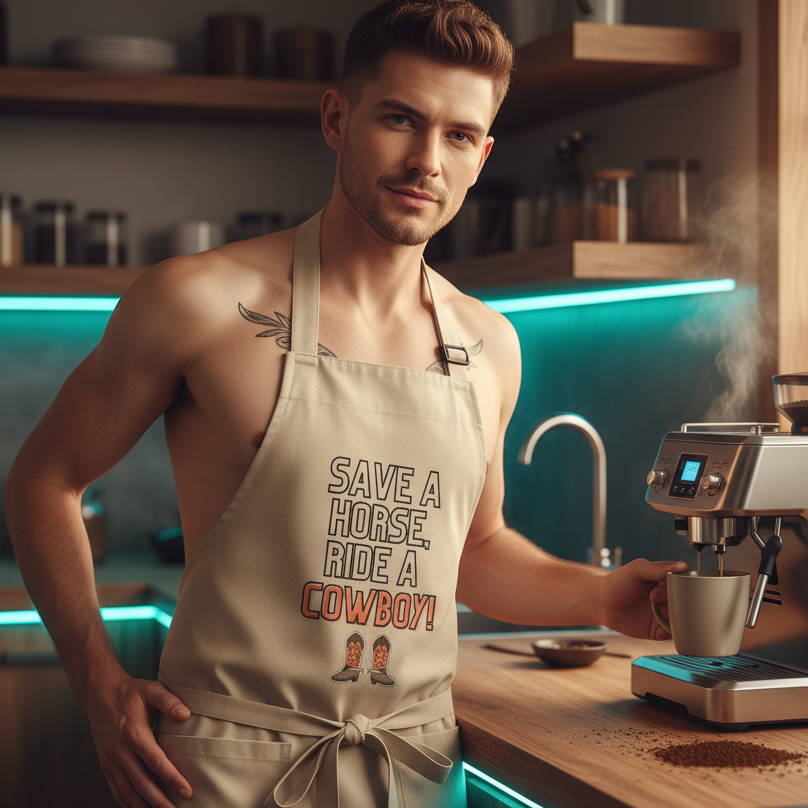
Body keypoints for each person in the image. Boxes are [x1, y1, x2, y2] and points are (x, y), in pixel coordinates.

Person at [4, 1, 686, 806]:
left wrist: (599, 596)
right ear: (337, 117)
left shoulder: (490, 345)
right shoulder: (198, 302)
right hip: (226, 770)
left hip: (415, 770)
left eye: (459, 135)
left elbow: (472, 551)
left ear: (482, 155)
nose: (427, 159)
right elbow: (43, 479)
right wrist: (96, 680)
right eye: (400, 119)